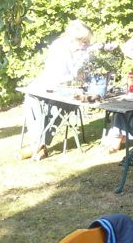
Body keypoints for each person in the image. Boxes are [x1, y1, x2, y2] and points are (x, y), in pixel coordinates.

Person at [21, 19, 93, 159]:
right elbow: (55, 74)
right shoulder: (59, 47)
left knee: (58, 105)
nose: (87, 44)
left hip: (69, 90)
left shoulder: (84, 51)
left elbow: (82, 75)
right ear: (74, 40)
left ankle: (37, 146)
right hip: (50, 84)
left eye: (87, 41)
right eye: (84, 41)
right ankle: (38, 145)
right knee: (32, 99)